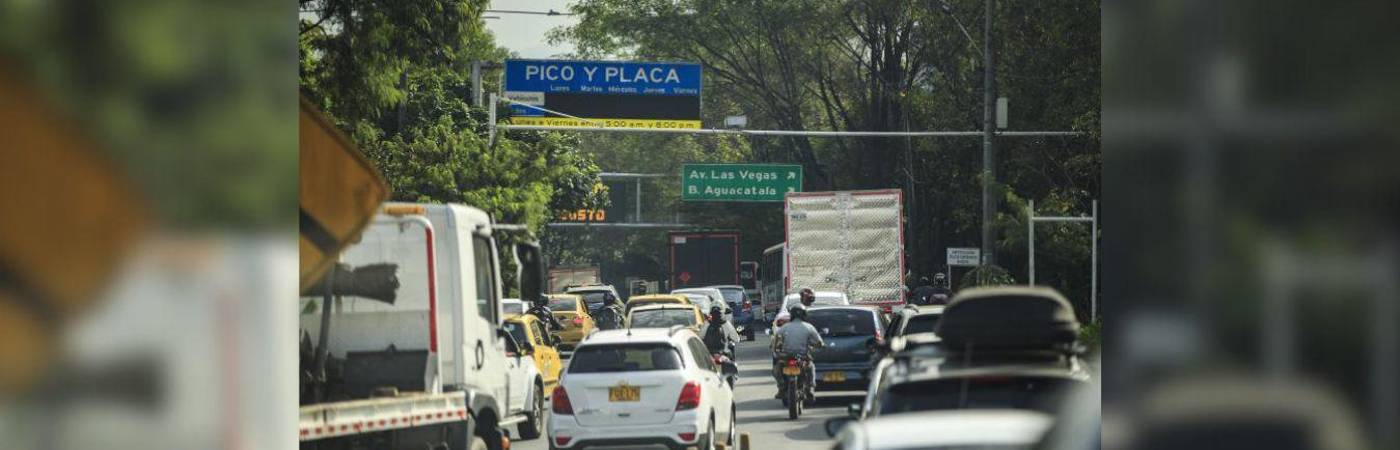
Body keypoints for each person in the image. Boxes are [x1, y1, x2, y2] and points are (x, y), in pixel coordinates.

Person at [771, 305, 824, 400]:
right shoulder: (809, 327)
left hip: (786, 357)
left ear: (791, 315)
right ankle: (810, 389)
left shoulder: (785, 327)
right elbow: (819, 342)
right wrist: (817, 346)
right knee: (811, 367)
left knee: (776, 368)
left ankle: (781, 388)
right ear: (804, 315)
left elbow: (776, 340)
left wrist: (776, 351)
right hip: (802, 357)